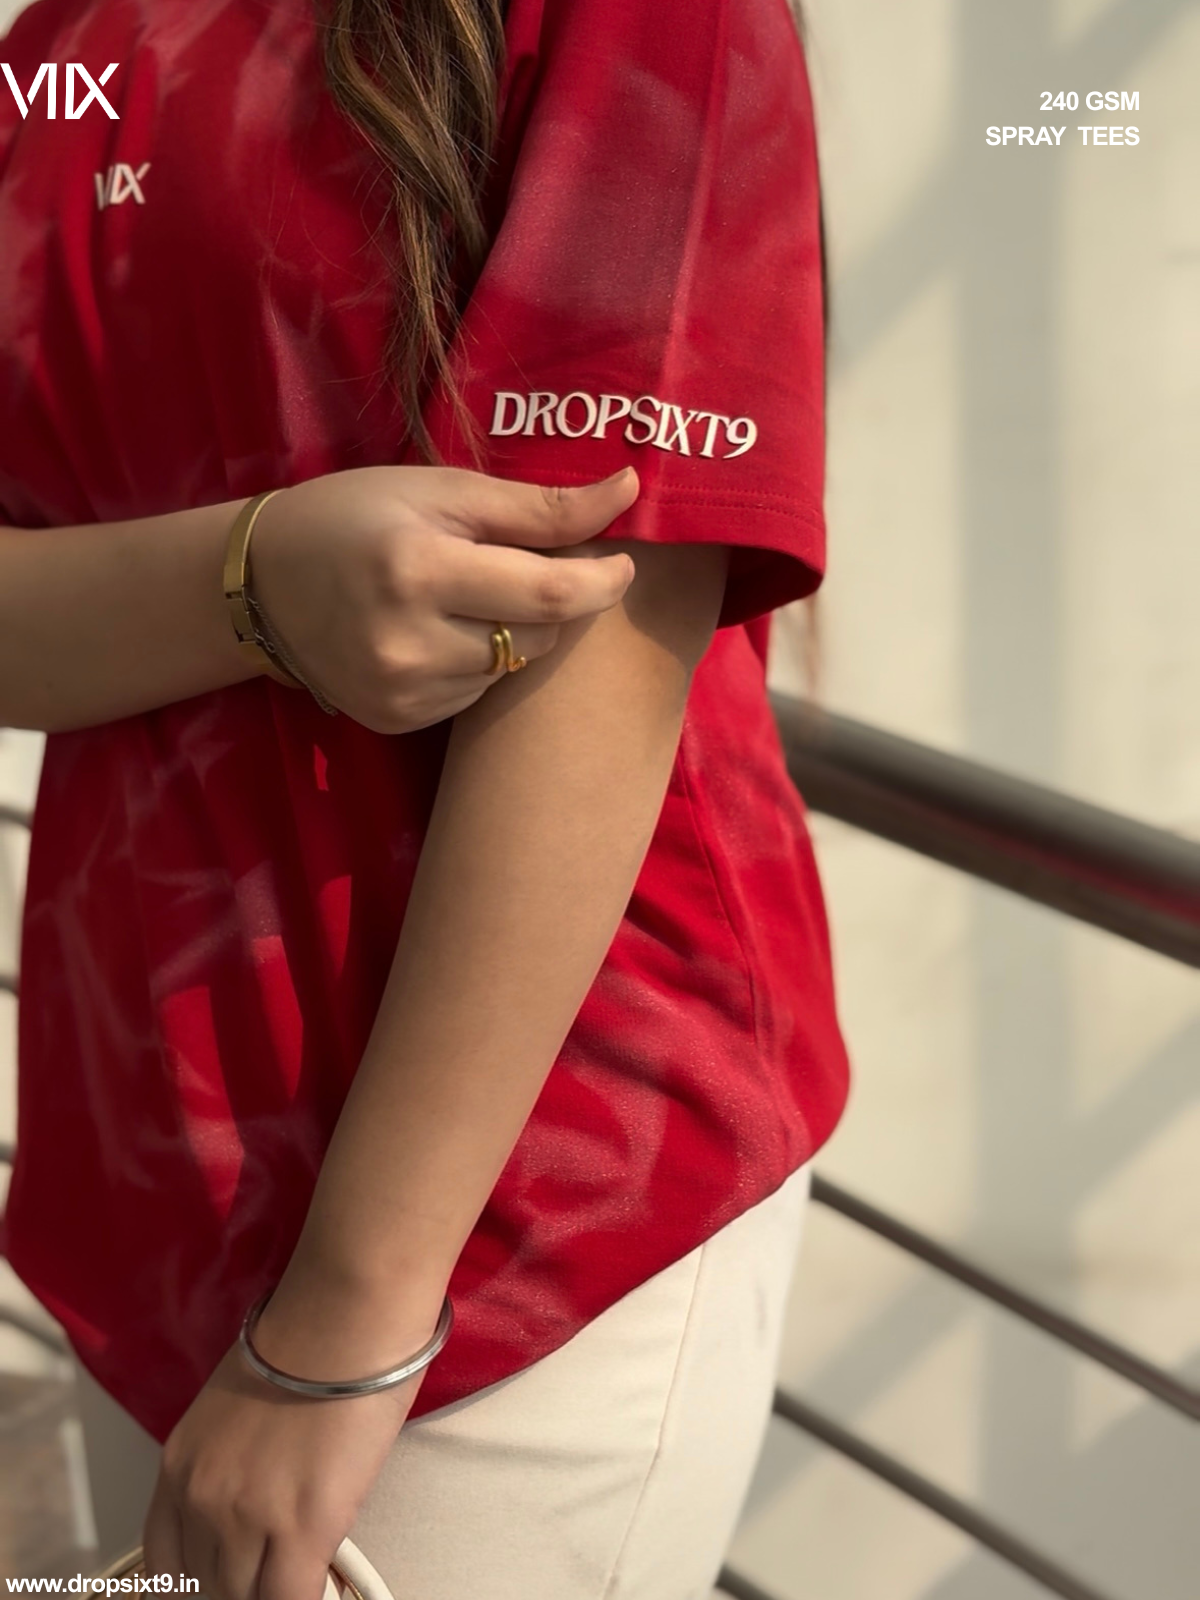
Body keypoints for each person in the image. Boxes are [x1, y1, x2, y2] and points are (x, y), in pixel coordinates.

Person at [0, 0, 850, 1595]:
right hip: (136, 1171)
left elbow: (592, 610)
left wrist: (337, 1330)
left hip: (512, 1204)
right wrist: (258, 578)